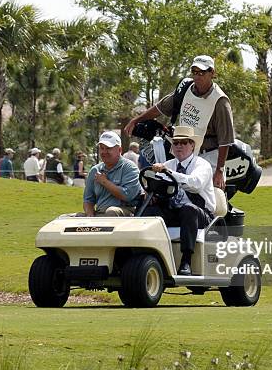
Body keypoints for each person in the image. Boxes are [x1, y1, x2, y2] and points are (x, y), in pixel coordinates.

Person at [124, 55, 234, 190]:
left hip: (208, 155)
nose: (197, 76)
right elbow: (160, 108)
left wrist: (219, 170)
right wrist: (136, 120)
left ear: (212, 73)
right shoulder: (186, 89)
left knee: (205, 196)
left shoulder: (220, 101)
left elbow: (225, 140)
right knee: (176, 193)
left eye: (202, 72)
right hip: (184, 153)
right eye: (194, 72)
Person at [144, 126, 216, 275]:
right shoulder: (168, 165)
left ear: (192, 145)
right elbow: (159, 187)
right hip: (174, 212)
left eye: (183, 143)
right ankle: (146, 256)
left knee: (188, 210)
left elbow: (195, 184)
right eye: (176, 143)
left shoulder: (202, 165)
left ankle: (186, 261)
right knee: (149, 210)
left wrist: (169, 173)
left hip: (201, 215)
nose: (179, 146)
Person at [82, 131, 141, 217]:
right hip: (100, 214)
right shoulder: (95, 170)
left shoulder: (129, 168)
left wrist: (104, 182)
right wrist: (89, 214)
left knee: (111, 212)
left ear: (119, 150)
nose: (104, 152)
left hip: (124, 213)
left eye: (108, 148)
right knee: (66, 219)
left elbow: (127, 195)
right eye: (102, 148)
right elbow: (88, 199)